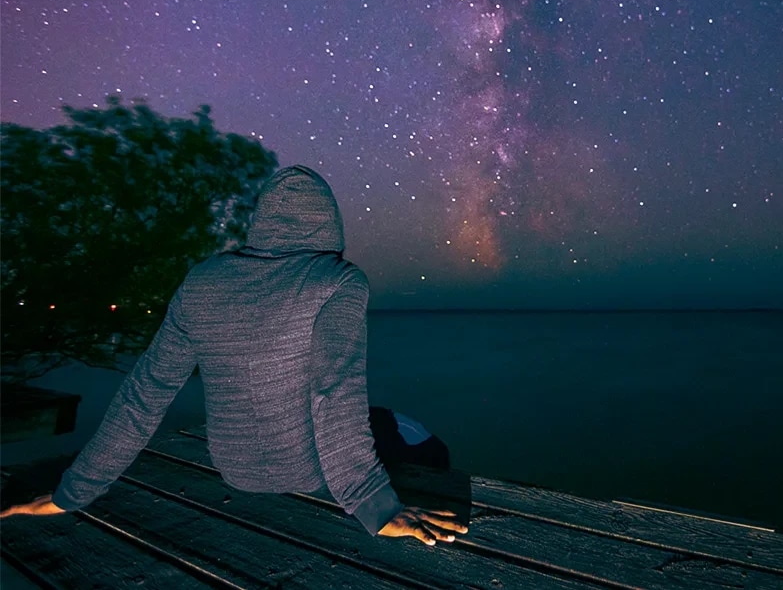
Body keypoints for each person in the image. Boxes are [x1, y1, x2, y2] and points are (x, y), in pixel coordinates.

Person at [0, 166, 466, 546]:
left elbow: (144, 395)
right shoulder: (338, 280)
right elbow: (334, 392)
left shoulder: (201, 281)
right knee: (416, 434)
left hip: (236, 471)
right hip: (309, 474)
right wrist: (375, 507)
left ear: (261, 224)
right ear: (330, 226)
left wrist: (71, 493)